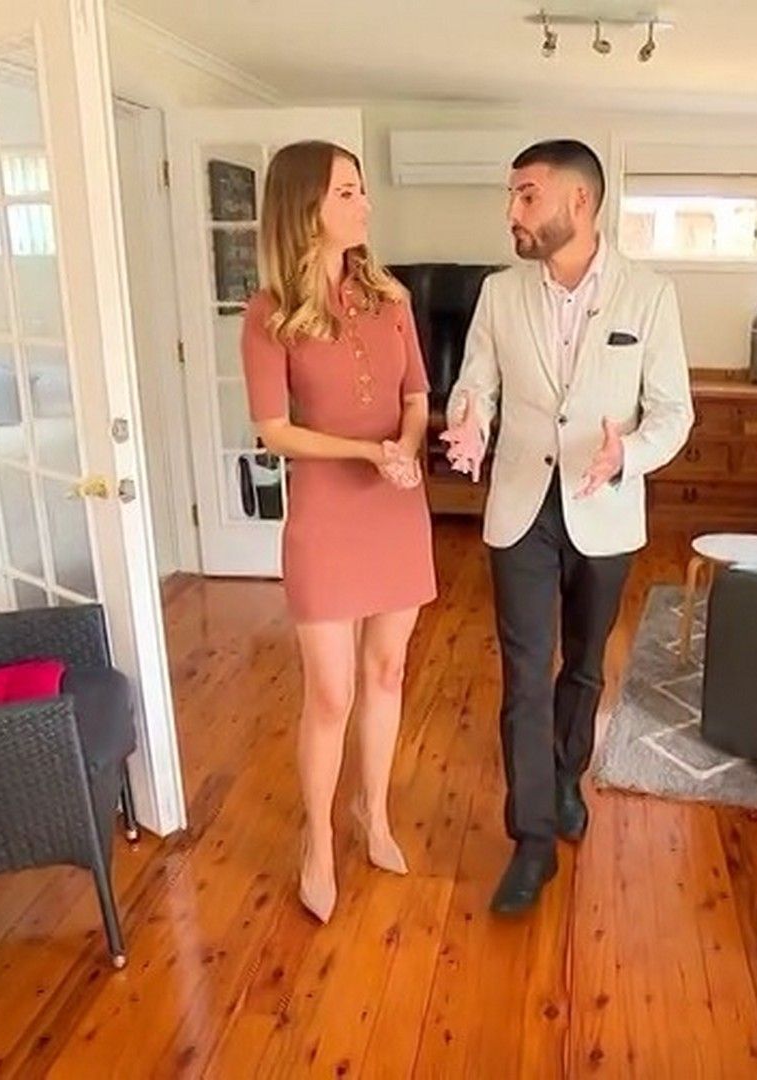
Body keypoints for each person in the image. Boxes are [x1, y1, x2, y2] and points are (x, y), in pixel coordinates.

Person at [440, 139, 692, 915]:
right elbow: (475, 383)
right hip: (520, 506)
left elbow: (674, 413)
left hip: (603, 505)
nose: (511, 212)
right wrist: (469, 420)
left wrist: (628, 455)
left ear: (577, 202)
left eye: (526, 195)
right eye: (512, 196)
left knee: (583, 666)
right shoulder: (499, 293)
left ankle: (565, 778)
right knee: (524, 674)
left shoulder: (650, 296)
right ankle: (533, 842)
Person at [241, 140, 437, 924]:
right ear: (307, 207)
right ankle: (317, 840)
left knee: (388, 672)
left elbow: (417, 395)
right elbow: (274, 430)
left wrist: (406, 449)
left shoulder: (391, 298)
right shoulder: (268, 313)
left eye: (361, 190)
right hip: (325, 514)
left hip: (396, 507)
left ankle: (373, 814)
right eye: (348, 191)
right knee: (331, 691)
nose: (364, 204)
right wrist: (364, 452)